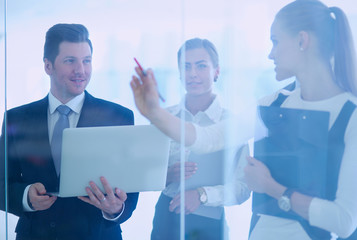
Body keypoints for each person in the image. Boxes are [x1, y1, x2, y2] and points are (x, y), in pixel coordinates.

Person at [0, 23, 139, 240]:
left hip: (96, 234)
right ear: (48, 66)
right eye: (70, 61)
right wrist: (26, 196)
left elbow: (130, 189)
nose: (81, 70)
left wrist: (115, 208)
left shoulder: (118, 117)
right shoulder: (17, 119)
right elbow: (1, 183)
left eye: (86, 61)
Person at [243, 0, 357, 239]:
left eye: (275, 41)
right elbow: (213, 138)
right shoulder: (273, 105)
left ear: (302, 40)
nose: (270, 53)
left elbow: (344, 221)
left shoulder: (350, 115)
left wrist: (271, 188)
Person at [131, 38, 251, 240]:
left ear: (217, 71)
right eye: (186, 67)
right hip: (166, 218)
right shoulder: (163, 119)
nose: (193, 74)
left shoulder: (230, 123)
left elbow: (243, 187)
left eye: (201, 66)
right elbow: (139, 175)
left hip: (209, 222)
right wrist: (166, 175)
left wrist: (203, 195)